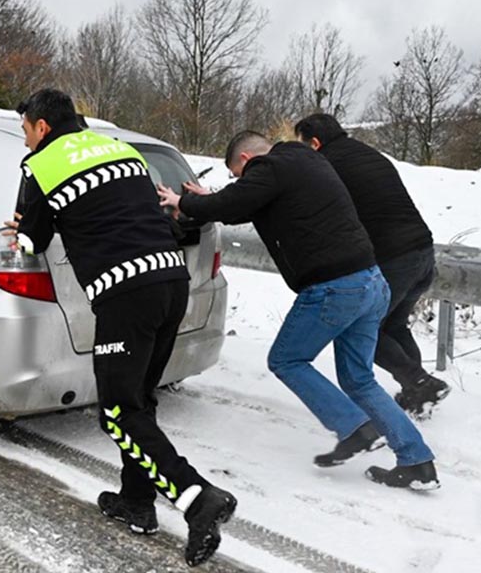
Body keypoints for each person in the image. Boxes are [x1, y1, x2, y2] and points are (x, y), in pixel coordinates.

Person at [8, 88, 236, 566]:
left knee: (117, 412)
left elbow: (31, 241)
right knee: (139, 402)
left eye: (26, 130)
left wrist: (21, 227)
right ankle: (136, 501)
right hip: (172, 282)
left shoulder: (41, 167)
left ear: (42, 127)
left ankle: (197, 498)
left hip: (125, 293)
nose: (25, 140)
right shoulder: (123, 151)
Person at [158, 131, 439, 491]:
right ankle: (416, 460)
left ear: (246, 159)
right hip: (371, 282)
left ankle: (354, 427)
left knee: (286, 360)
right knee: (358, 378)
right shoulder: (305, 161)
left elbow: (237, 201)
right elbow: (243, 203)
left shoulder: (269, 167)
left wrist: (182, 201)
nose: (241, 182)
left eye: (237, 175)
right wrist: (211, 198)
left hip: (335, 288)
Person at [293, 114, 449, 416]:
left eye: (303, 146)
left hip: (394, 258)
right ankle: (417, 395)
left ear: (314, 142)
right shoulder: (367, 153)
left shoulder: (327, 163)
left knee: (360, 328)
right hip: (423, 252)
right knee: (393, 325)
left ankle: (422, 383)